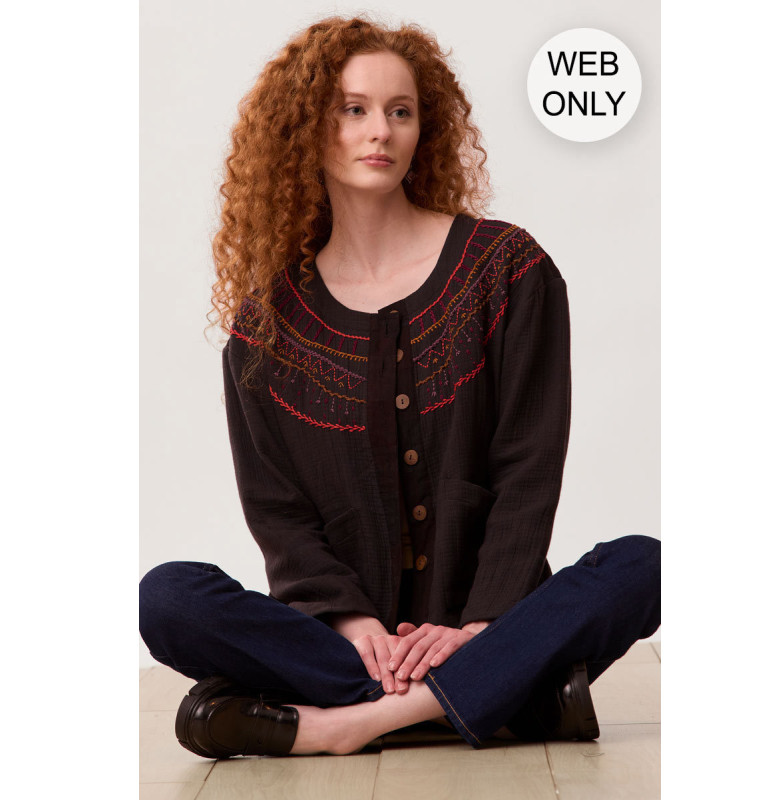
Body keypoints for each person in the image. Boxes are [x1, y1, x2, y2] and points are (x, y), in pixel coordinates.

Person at [139, 15, 660, 759]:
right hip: (349, 645)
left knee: (646, 564)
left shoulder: (509, 271)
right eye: (353, 109)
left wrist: (480, 627)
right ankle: (507, 699)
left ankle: (351, 723)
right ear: (305, 128)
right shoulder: (265, 327)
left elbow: (528, 471)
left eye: (400, 110)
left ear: (425, 128)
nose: (379, 130)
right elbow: (281, 516)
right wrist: (359, 631)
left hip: (493, 621)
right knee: (168, 598)